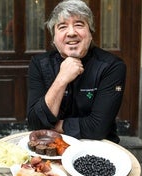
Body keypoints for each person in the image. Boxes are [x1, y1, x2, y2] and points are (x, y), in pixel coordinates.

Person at [27, 0, 126, 143]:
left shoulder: (112, 66)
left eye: (79, 25)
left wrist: (54, 125)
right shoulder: (39, 64)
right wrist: (62, 79)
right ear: (54, 38)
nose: (71, 32)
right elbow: (35, 124)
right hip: (48, 147)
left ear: (90, 33)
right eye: (62, 26)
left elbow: (97, 128)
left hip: (98, 148)